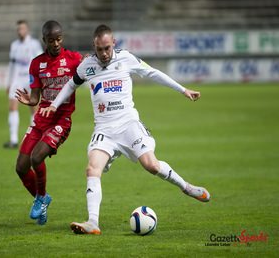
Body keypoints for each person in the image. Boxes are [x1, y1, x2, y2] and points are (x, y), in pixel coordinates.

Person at [42, 24, 211, 234]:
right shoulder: (87, 66)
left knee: (151, 165)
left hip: (128, 124)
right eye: (99, 49)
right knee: (91, 169)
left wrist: (183, 89)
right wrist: (53, 105)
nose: (103, 53)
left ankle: (186, 187)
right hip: (104, 128)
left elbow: (153, 73)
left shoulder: (126, 58)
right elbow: (70, 85)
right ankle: (93, 222)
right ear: (94, 46)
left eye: (106, 48)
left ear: (113, 43)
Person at [14, 20, 83, 225]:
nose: (55, 43)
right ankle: (42, 198)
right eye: (51, 40)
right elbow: (36, 97)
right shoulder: (36, 64)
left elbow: (91, 70)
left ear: (63, 38)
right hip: (42, 117)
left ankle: (41, 199)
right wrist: (30, 100)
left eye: (59, 39)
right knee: (20, 167)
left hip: (62, 119)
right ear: (44, 40)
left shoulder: (73, 59)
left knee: (37, 158)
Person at [4, 20, 43, 149]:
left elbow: (40, 62)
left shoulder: (34, 44)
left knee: (34, 108)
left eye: (22, 28)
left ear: (27, 30)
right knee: (12, 107)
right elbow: (11, 65)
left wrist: (40, 81)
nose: (20, 31)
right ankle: (14, 139)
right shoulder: (14, 45)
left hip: (30, 79)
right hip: (17, 80)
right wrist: (9, 82)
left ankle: (34, 138)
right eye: (18, 29)